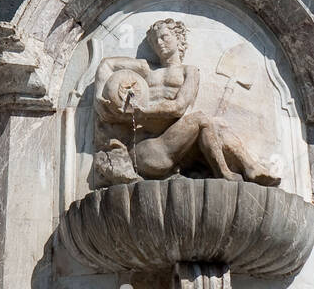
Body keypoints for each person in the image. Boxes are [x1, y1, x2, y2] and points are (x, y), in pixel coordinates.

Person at [95, 18, 278, 184]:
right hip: (148, 149)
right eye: (155, 41)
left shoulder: (189, 71)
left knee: (217, 124)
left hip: (181, 147)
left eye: (165, 37)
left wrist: (145, 111)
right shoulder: (147, 69)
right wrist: (98, 98)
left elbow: (179, 107)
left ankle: (248, 167)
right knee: (203, 120)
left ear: (178, 39)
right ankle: (225, 172)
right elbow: (106, 64)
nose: (159, 43)